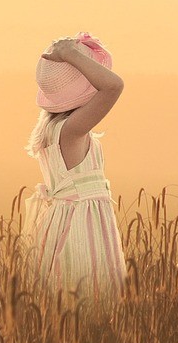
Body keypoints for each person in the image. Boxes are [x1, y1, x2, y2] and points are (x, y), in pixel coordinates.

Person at [23, 33, 126, 301]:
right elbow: (113, 87)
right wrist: (71, 55)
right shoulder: (71, 130)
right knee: (89, 297)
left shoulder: (56, 130)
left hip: (64, 221)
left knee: (66, 302)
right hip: (82, 227)